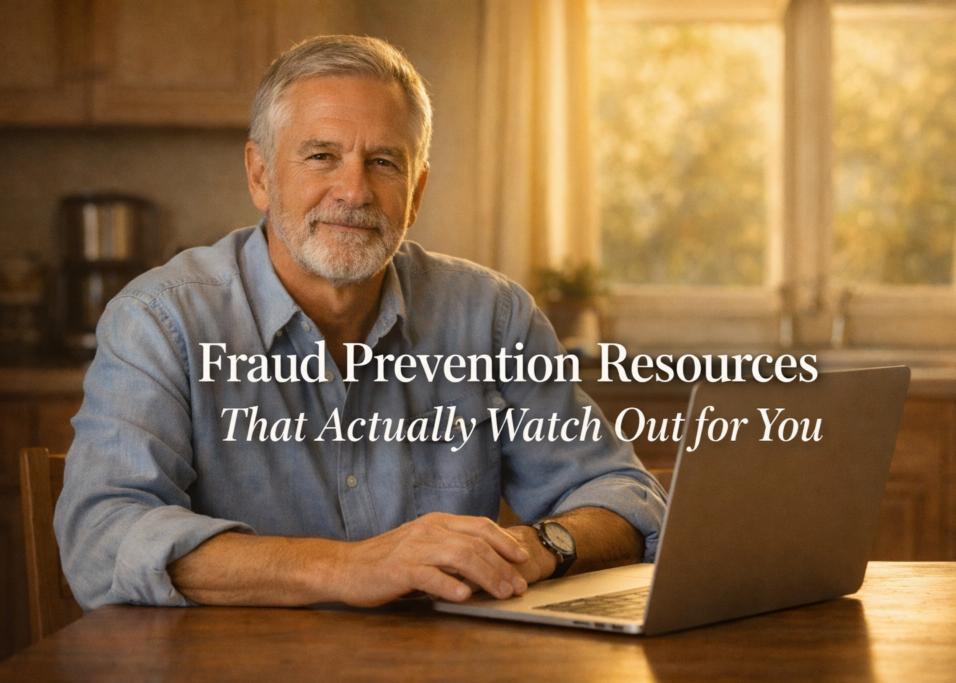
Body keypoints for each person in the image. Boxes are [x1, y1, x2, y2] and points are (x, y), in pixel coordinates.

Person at [54, 35, 667, 611]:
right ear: (261, 175)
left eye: (383, 162)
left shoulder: (494, 317)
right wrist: (347, 568)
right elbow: (103, 536)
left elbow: (622, 496)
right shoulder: (159, 320)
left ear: (417, 190)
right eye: (322, 156)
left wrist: (540, 547)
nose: (354, 191)